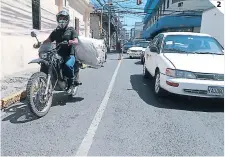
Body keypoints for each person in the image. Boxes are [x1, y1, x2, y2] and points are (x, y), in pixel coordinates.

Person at [43, 9, 81, 94]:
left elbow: (76, 41)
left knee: (68, 65)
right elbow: (48, 40)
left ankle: (71, 84)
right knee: (49, 64)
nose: (62, 21)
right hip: (58, 54)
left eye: (64, 19)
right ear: (57, 20)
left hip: (69, 55)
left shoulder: (71, 30)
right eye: (60, 19)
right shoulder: (56, 31)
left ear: (67, 20)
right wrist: (40, 43)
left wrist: (71, 41)